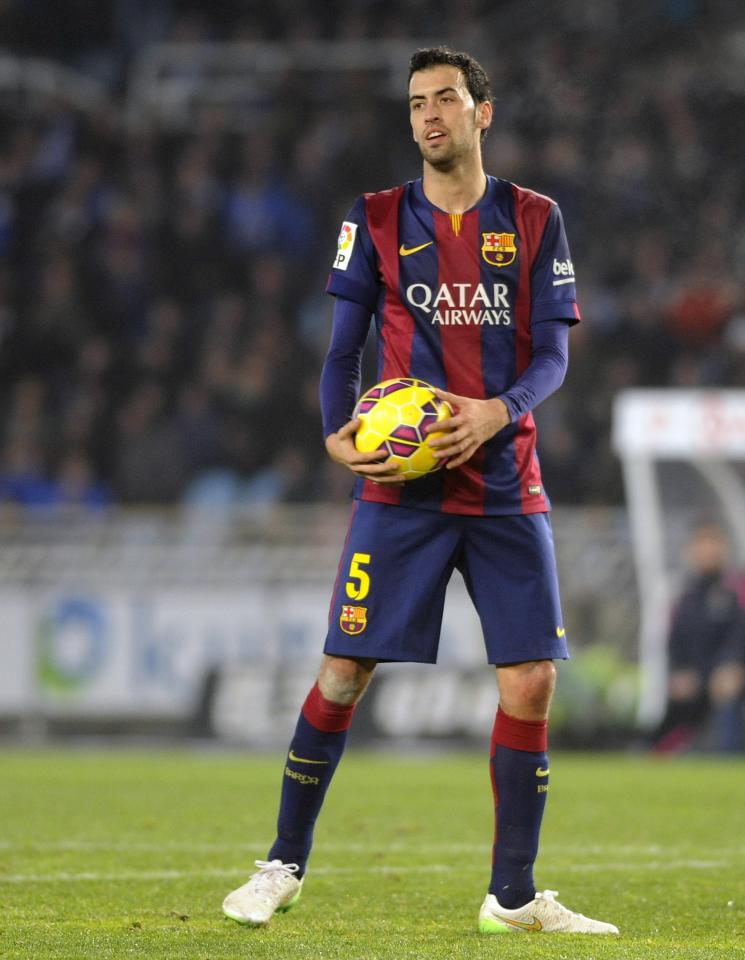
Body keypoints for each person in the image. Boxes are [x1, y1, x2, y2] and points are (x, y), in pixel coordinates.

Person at [222, 46, 618, 936]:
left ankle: (511, 899)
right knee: (342, 670)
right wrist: (334, 430)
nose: (428, 115)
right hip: (402, 495)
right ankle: (280, 865)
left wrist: (496, 410)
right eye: (415, 104)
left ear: (483, 111)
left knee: (530, 683)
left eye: (445, 98)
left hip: (506, 482)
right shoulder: (371, 217)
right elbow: (341, 348)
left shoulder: (534, 217)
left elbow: (553, 352)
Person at [652, 521, 745, 754]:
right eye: (702, 544)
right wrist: (679, 671)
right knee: (678, 703)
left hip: (729, 675)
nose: (708, 550)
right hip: (695, 677)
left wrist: (732, 665)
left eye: (713, 543)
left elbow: (738, 634)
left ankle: (727, 756)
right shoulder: (685, 595)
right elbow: (675, 640)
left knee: (727, 697)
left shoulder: (736, 588)